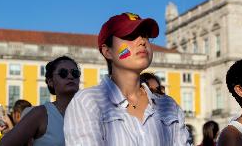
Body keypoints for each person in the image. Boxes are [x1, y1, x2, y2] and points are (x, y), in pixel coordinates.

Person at [64, 12, 191, 146]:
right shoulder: (88, 103)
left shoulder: (169, 106)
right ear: (108, 51)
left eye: (145, 36)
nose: (142, 41)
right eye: (130, 36)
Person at [0, 55, 80, 146]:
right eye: (63, 73)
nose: (70, 76)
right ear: (50, 82)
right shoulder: (41, 114)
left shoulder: (89, 113)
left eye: (75, 73)